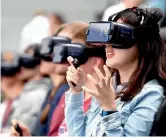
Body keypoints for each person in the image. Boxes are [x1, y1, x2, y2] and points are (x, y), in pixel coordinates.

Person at [64, 7, 166, 136]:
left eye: (118, 39)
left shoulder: (150, 94)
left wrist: (109, 108)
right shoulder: (109, 85)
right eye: (107, 39)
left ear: (143, 46)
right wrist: (76, 91)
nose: (108, 46)